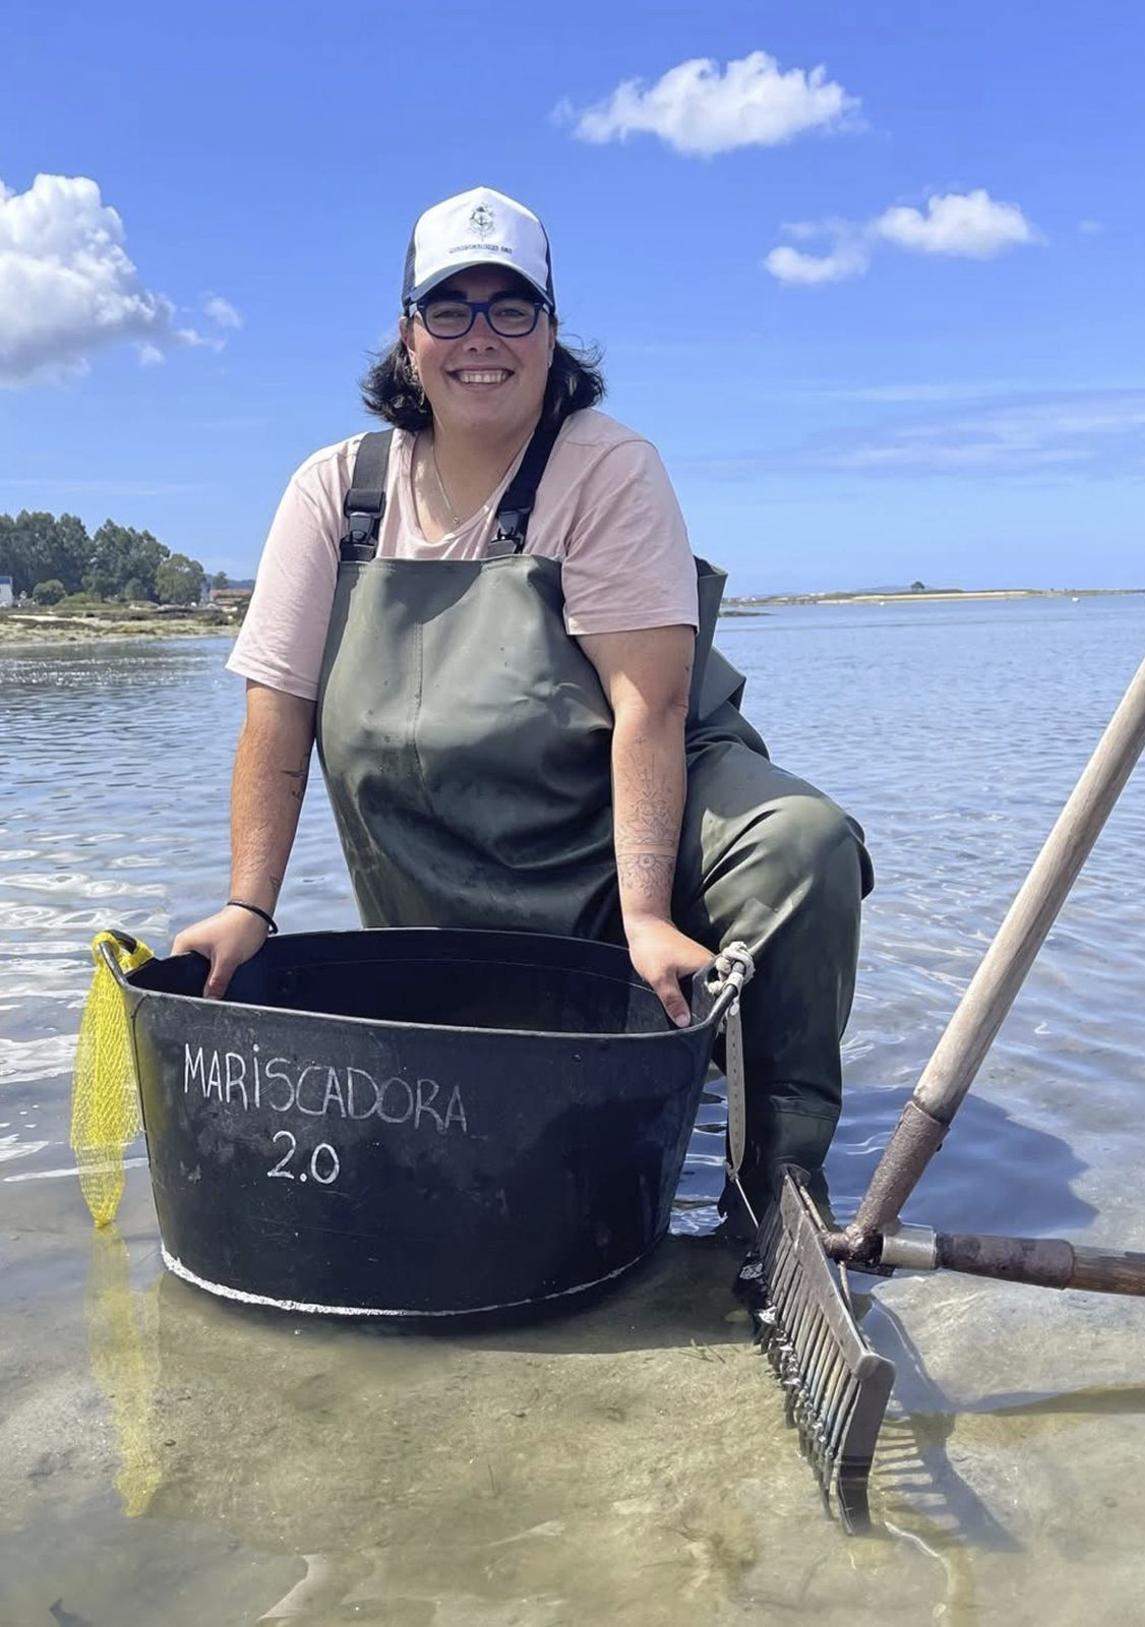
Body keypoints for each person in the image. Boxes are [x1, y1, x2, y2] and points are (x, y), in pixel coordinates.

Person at [173, 186, 873, 1216]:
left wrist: (643, 913)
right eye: (450, 308)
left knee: (802, 845)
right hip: (454, 876)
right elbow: (275, 723)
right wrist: (248, 907)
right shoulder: (334, 494)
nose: (481, 338)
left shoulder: (608, 469)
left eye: (512, 308)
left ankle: (776, 1177)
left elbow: (651, 705)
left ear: (553, 332)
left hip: (635, 814)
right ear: (409, 335)